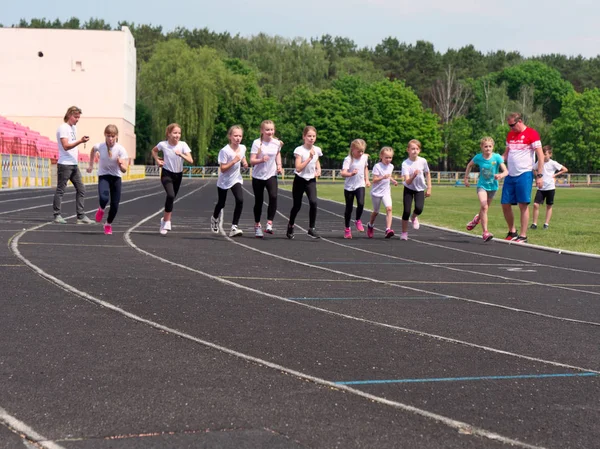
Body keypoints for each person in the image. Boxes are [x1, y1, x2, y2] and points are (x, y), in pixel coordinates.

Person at [501, 113, 545, 243]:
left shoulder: (532, 133)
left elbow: (540, 156)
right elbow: (506, 154)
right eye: (509, 126)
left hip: (524, 173)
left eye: (512, 125)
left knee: (523, 205)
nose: (511, 128)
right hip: (510, 174)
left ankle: (523, 235)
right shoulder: (510, 135)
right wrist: (494, 160)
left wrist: (539, 175)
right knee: (505, 204)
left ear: (519, 121)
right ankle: (512, 231)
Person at [151, 123, 194, 235]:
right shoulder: (163, 144)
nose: (177, 135)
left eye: (179, 133)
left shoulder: (183, 145)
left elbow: (190, 160)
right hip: (166, 174)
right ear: (169, 134)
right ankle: (167, 221)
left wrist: (181, 155)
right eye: (174, 133)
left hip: (178, 175)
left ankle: (164, 220)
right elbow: (154, 150)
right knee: (170, 195)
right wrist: (157, 160)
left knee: (172, 198)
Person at [86, 125, 129, 235]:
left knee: (115, 205)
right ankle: (101, 209)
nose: (110, 138)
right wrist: (91, 165)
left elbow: (124, 170)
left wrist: (120, 164)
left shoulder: (121, 149)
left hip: (116, 178)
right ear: (105, 135)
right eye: (108, 136)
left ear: (116, 136)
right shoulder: (100, 146)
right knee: (104, 198)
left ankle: (108, 224)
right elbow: (92, 150)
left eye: (113, 136)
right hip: (104, 176)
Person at [463, 137, 508, 242]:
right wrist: (466, 178)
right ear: (482, 147)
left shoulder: (497, 157)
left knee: (485, 209)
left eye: (490, 146)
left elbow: (506, 171)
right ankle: (485, 232)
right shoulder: (478, 157)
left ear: (493, 147)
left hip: (493, 187)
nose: (488, 148)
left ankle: (477, 219)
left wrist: (501, 175)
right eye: (485, 146)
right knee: (484, 206)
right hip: (482, 186)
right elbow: (469, 165)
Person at [52, 106, 92, 224]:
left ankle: (80, 216)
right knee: (61, 190)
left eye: (78, 117)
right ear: (69, 115)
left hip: (73, 164)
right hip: (65, 164)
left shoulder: (74, 128)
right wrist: (80, 141)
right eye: (75, 117)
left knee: (81, 189)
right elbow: (66, 146)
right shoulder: (63, 128)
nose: (77, 119)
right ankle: (57, 214)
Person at [210, 125, 248, 237]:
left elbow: (243, 156)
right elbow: (223, 168)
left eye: (240, 136)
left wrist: (244, 162)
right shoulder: (224, 151)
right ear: (230, 137)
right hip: (224, 180)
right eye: (235, 135)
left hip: (236, 179)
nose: (238, 138)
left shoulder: (243, 147)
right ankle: (214, 218)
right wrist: (234, 161)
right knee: (221, 203)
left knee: (240, 200)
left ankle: (234, 227)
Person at [286, 126, 322, 239]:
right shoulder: (299, 150)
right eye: (309, 136)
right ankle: (291, 225)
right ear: (304, 137)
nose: (311, 138)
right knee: (297, 205)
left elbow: (317, 161)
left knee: (313, 202)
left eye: (313, 136)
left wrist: (318, 169)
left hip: (311, 180)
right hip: (300, 180)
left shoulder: (317, 149)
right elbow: (298, 168)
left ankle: (312, 228)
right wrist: (309, 158)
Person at [250, 120, 283, 238]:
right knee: (259, 201)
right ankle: (257, 225)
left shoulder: (277, 143)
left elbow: (278, 153)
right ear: (262, 131)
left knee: (273, 196)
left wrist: (279, 165)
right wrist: (261, 160)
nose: (270, 132)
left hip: (271, 174)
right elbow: (252, 160)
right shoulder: (257, 143)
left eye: (272, 130)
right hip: (258, 176)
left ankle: (269, 223)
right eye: (267, 130)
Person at [531, 145, 568, 230]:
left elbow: (565, 169)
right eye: (542, 154)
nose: (543, 156)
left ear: (550, 154)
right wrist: (537, 176)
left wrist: (555, 175)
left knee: (549, 206)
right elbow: (533, 169)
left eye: (545, 154)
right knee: (536, 204)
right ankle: (534, 224)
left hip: (550, 187)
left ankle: (546, 224)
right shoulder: (540, 162)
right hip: (541, 187)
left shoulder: (553, 163)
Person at [401, 139, 431, 241]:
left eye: (417, 149)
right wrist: (413, 175)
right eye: (412, 149)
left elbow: (427, 173)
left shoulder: (423, 161)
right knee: (406, 210)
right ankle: (404, 233)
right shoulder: (405, 163)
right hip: (408, 188)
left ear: (419, 150)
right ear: (408, 150)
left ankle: (413, 217)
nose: (415, 151)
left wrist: (429, 187)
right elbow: (407, 181)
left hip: (420, 188)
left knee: (419, 208)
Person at [340, 139, 371, 239]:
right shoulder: (348, 159)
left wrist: (367, 179)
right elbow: (343, 173)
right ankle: (347, 229)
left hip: (360, 184)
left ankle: (358, 220)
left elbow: (366, 168)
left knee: (361, 203)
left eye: (362, 151)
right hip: (349, 187)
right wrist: (351, 174)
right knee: (349, 208)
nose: (361, 153)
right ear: (353, 149)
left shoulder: (364, 157)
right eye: (359, 151)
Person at [367, 146, 398, 239]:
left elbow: (388, 175)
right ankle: (370, 225)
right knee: (376, 212)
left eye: (390, 158)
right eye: (386, 157)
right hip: (376, 192)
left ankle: (388, 229)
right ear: (381, 156)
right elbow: (374, 180)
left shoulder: (391, 166)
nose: (388, 160)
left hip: (386, 192)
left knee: (389, 208)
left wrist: (393, 180)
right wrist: (383, 177)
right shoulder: (377, 166)